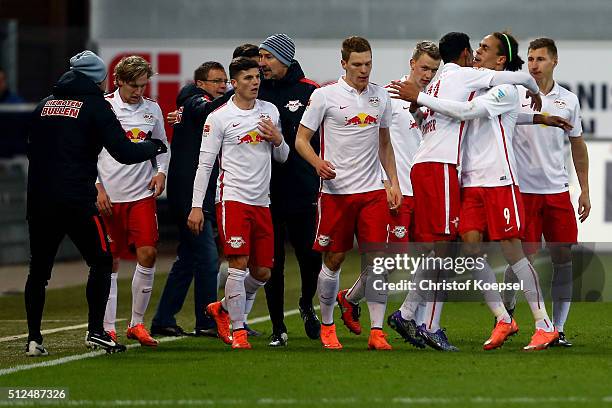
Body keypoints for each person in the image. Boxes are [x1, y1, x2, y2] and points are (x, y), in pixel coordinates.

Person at [395, 32, 570, 351]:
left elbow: (467, 114)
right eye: (477, 47)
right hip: (472, 183)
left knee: (513, 251)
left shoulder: (504, 88)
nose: (477, 52)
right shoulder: (475, 84)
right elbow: (506, 116)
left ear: (500, 60)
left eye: (485, 49)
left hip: (499, 180)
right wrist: (541, 117)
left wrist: (419, 98)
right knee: (470, 248)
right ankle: (503, 319)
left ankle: (544, 324)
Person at [25, 50, 166, 356]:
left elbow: (31, 151)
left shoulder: (43, 106)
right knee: (102, 261)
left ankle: (34, 338)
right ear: (100, 78)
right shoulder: (96, 106)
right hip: (78, 199)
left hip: (40, 201)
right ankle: (97, 331)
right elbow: (123, 153)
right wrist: (153, 145)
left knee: (39, 270)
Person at [295, 36, 402, 350]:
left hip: (371, 191)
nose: (364, 69)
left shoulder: (380, 96)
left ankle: (377, 331)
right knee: (335, 258)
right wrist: (317, 163)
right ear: (343, 63)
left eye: (368, 63)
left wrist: (392, 182)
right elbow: (301, 139)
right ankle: (328, 326)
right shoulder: (324, 96)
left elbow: (385, 144)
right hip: (336, 192)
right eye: (357, 64)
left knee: (378, 262)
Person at [335, 40, 441, 342]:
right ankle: (353, 301)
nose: (427, 75)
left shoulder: (435, 101)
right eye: (423, 68)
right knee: (390, 262)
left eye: (433, 70)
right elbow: (379, 142)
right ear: (411, 63)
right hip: (398, 191)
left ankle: (409, 319)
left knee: (431, 257)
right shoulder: (390, 98)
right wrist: (386, 181)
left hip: (424, 193)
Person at [188, 57, 289, 349]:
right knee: (238, 264)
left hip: (262, 202)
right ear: (234, 84)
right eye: (247, 78)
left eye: (257, 77)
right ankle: (238, 330)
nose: (255, 82)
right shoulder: (219, 117)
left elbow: (282, 157)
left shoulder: (269, 112)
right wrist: (196, 206)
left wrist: (278, 139)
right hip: (232, 199)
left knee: (262, 273)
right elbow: (205, 165)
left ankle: (221, 307)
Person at [503, 37, 589, 347]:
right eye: (530, 59)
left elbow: (577, 145)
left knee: (563, 257)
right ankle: (507, 313)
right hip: (523, 192)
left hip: (556, 192)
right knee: (520, 257)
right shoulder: (515, 96)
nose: (534, 65)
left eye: (540, 59)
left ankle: (559, 328)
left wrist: (585, 190)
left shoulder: (570, 100)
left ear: (554, 61)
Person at [96, 55, 170, 347]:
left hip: (140, 194)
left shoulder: (152, 110)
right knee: (108, 261)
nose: (139, 91)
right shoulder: (103, 108)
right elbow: (87, 152)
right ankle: (107, 327)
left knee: (148, 254)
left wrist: (160, 172)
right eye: (134, 86)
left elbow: (163, 146)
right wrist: (97, 187)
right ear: (119, 82)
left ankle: (137, 324)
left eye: (143, 85)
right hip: (109, 197)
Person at [151, 61, 228, 338]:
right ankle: (207, 320)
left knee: (188, 258)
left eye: (226, 80)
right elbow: (205, 109)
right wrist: (238, 91)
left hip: (193, 191)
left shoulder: (190, 107)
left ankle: (163, 318)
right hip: (190, 194)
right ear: (201, 84)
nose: (224, 85)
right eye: (218, 81)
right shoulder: (197, 102)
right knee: (207, 259)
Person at [256, 33, 322, 347]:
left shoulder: (310, 91)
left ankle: (307, 302)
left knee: (311, 258)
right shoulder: (254, 92)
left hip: (302, 189)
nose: (262, 63)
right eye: (260, 57)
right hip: (265, 190)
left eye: (268, 57)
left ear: (284, 58)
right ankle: (278, 328)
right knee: (273, 263)